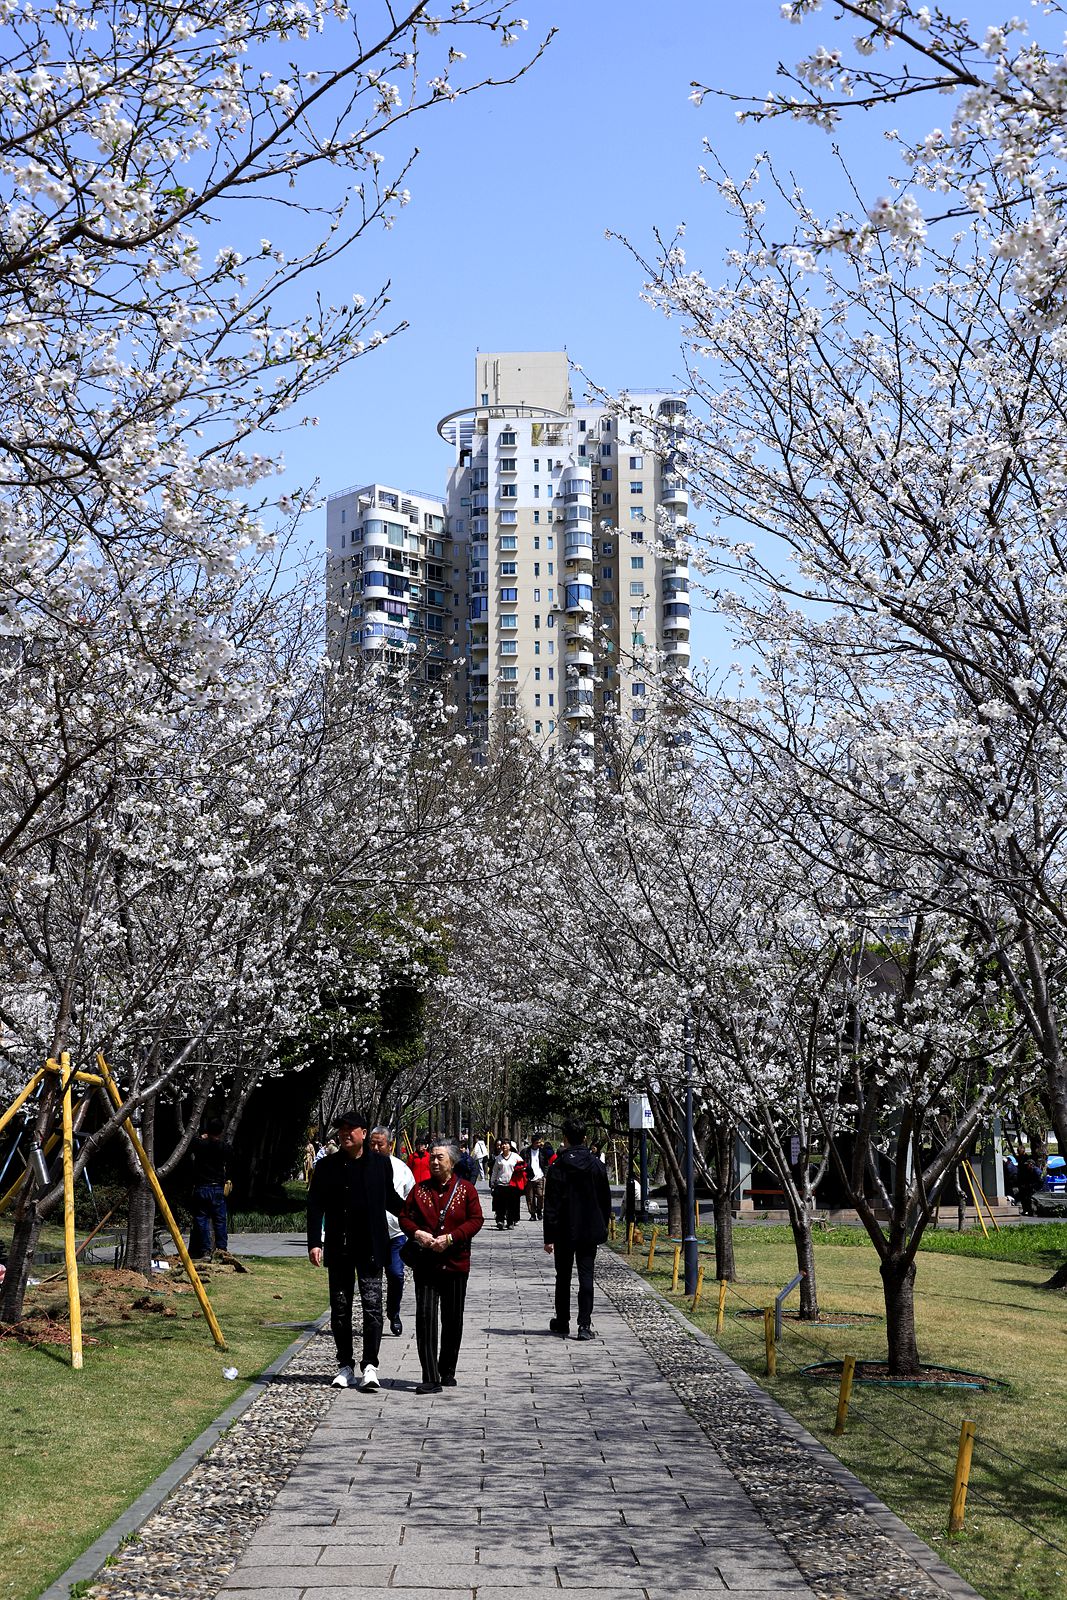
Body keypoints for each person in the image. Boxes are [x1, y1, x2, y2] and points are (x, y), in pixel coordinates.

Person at [306, 1109, 407, 1391]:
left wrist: (419, 1219)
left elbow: (392, 1200)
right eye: (342, 1129)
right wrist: (315, 1242)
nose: (345, 1133)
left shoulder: (380, 1164)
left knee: (372, 1307)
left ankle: (370, 1365)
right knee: (340, 1309)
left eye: (351, 1129)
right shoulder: (327, 1166)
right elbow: (315, 1205)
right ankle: (344, 1365)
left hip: (371, 1246)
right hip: (339, 1246)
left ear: (364, 1133)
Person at [399, 1141, 484, 1393]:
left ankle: (447, 1369)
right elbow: (405, 1217)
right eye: (432, 1158)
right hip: (426, 1264)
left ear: (452, 1162)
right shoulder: (419, 1190)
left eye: (440, 1158)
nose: (434, 1162)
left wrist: (452, 1237)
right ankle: (430, 1376)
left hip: (456, 1263)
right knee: (425, 1317)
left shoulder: (466, 1189)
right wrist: (417, 1234)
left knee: (452, 1318)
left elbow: (476, 1219)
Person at [543, 1115, 613, 1342]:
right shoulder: (597, 1166)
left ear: (565, 1138)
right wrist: (603, 1226)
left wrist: (549, 1236)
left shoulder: (557, 1167)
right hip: (589, 1230)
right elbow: (605, 1201)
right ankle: (584, 1324)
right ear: (584, 1138)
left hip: (564, 1230)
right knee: (586, 1277)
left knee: (562, 1277)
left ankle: (562, 1320)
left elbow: (551, 1204)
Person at [369, 1125, 415, 1336]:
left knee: (396, 1275)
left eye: (381, 1144)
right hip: (371, 1235)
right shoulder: (362, 1167)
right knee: (371, 1280)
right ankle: (373, 1317)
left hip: (396, 1234)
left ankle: (393, 1312)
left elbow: (408, 1199)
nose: (376, 1148)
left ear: (390, 1145)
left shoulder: (401, 1168)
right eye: (373, 1144)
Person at [188, 1116, 231, 1260]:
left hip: (201, 1187)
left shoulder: (200, 1145)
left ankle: (205, 1250)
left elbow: (192, 1143)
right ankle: (222, 1249)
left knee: (201, 1219)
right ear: (221, 1131)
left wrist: (202, 1137)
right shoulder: (224, 1147)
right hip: (218, 1187)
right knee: (220, 1220)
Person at [520, 1132, 554, 1221]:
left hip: (540, 1176)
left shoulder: (543, 1151)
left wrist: (545, 1174)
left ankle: (539, 1210)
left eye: (540, 1142)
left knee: (541, 1195)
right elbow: (521, 1163)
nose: (539, 1144)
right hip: (529, 1177)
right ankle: (532, 1214)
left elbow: (551, 1154)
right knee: (530, 1197)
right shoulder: (525, 1152)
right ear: (533, 1142)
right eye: (538, 1142)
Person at [490, 1139, 521, 1229]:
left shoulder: (515, 1157)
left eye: (506, 1144)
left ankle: (510, 1222)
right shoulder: (499, 1158)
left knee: (511, 1205)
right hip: (501, 1184)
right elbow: (495, 1171)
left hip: (512, 1185)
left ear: (510, 1146)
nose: (504, 1146)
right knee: (500, 1204)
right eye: (503, 1144)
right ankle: (500, 1220)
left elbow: (523, 1166)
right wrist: (492, 1182)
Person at [1017, 1149, 1045, 1215]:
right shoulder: (1030, 1171)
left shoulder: (1036, 1171)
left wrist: (1031, 1187)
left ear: (1031, 1164)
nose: (1026, 1166)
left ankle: (1031, 1211)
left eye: (1028, 1165)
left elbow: (1040, 1182)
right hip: (1032, 1187)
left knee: (1029, 1197)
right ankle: (1027, 1210)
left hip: (1039, 1189)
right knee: (1024, 1196)